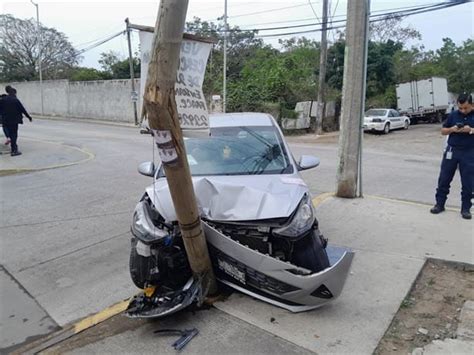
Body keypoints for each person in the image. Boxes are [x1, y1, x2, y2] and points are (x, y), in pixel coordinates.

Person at [430, 93, 474, 220]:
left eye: (466, 108)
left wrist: (471, 129)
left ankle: (465, 209)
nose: (463, 110)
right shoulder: (453, 115)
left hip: (469, 152)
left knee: (468, 182)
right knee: (444, 178)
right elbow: (443, 131)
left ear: (471, 104)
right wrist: (453, 129)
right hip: (452, 151)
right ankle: (439, 204)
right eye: (460, 108)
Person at [0, 86, 33, 156]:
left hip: (5, 120)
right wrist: (29, 117)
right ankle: (14, 150)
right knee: (14, 135)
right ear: (14, 93)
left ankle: (14, 148)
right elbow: (22, 109)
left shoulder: (3, 100)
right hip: (14, 121)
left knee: (9, 133)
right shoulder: (15, 100)